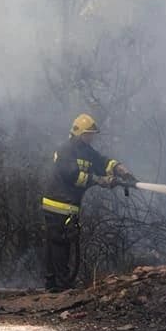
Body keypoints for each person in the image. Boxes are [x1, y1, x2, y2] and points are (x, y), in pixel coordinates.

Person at [41, 114, 136, 291]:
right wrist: (100, 180)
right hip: (57, 204)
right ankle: (61, 285)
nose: (91, 137)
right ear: (78, 133)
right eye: (88, 134)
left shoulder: (86, 151)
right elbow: (72, 176)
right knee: (60, 243)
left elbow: (102, 161)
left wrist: (119, 169)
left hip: (68, 205)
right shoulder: (66, 150)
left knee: (58, 242)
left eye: (92, 134)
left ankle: (53, 284)